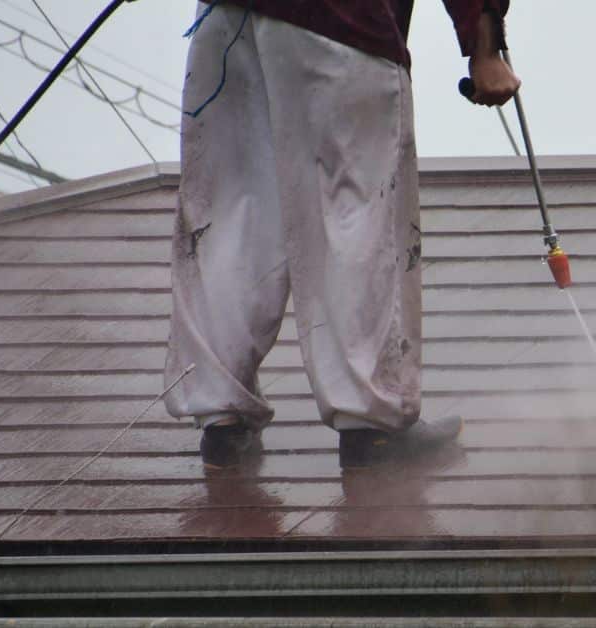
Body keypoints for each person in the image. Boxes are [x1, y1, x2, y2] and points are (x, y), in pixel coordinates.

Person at [163, 0, 521, 470]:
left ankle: (221, 419)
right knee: (357, 211)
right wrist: (484, 43)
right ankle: (370, 425)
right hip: (340, 21)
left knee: (232, 211)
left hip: (227, 18)